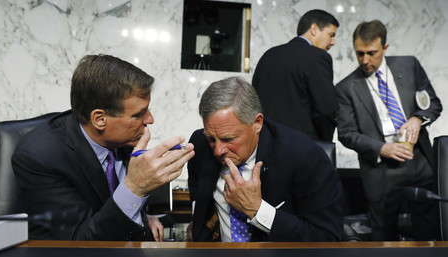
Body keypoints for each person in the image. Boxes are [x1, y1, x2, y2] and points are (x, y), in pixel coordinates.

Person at [12, 54, 195, 241]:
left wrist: (142, 218)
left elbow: (110, 199)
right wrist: (135, 188)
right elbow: (80, 242)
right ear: (99, 119)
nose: (150, 119)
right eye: (139, 114)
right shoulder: (41, 157)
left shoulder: (124, 140)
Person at [187, 76, 343, 242]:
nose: (218, 150)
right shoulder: (200, 145)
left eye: (228, 139)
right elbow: (199, 199)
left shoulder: (305, 157)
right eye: (211, 138)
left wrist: (257, 210)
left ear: (257, 123)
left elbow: (327, 239)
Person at [335, 20, 442, 241]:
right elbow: (346, 134)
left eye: (372, 53)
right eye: (359, 53)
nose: (365, 60)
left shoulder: (409, 66)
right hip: (381, 172)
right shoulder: (346, 88)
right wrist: (382, 148)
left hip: (420, 163)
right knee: (383, 239)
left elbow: (433, 104)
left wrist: (417, 118)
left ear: (385, 48)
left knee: (429, 234)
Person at [252, 9, 339, 142]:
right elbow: (326, 110)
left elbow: (254, 102)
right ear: (314, 29)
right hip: (302, 146)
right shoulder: (318, 57)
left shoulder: (268, 56)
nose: (333, 42)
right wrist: (324, 141)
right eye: (331, 35)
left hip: (265, 143)